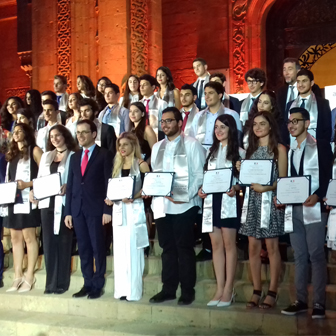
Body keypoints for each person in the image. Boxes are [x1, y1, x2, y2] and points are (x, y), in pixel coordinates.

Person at [149, 107, 205, 305]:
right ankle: (168, 288)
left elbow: (199, 175)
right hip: (162, 205)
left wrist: (185, 196)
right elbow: (156, 175)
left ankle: (187, 290)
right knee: (167, 249)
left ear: (180, 123)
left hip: (184, 206)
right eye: (162, 122)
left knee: (184, 248)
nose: (165, 125)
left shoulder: (192, 144)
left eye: (169, 121)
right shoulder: (157, 147)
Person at [281, 107, 332, 319]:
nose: (291, 125)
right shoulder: (290, 149)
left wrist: (319, 195)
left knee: (316, 255)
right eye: (289, 121)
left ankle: (319, 302)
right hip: (294, 208)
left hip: (314, 208)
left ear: (307, 123)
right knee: (299, 255)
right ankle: (300, 300)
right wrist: (281, 197)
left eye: (296, 121)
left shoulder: (320, 146)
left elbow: (329, 176)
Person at [238, 111, 287, 309]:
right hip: (252, 202)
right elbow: (246, 179)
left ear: (270, 126)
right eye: (255, 124)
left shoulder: (279, 150)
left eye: (262, 123)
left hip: (269, 201)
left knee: (272, 247)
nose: (258, 127)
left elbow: (282, 181)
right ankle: (257, 289)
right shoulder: (250, 150)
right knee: (252, 247)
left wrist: (266, 188)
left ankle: (273, 290)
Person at [198, 114, 245, 307]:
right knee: (215, 245)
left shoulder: (240, 152)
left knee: (229, 245)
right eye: (216, 127)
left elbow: (245, 181)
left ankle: (228, 289)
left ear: (231, 129)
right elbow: (206, 178)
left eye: (223, 127)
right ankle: (219, 288)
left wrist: (237, 187)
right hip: (211, 201)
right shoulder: (211, 152)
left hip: (229, 201)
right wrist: (201, 190)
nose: (218, 131)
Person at [64, 119, 113, 299]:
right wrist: (68, 211)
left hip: (96, 210)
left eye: (84, 132)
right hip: (77, 210)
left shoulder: (104, 154)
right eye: (78, 133)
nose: (80, 136)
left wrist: (107, 211)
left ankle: (98, 284)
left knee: (97, 248)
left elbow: (109, 183)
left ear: (94, 134)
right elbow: (71, 185)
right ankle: (87, 282)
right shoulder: (74, 156)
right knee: (83, 248)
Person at [30, 125, 78, 294]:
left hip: (64, 204)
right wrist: (34, 191)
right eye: (52, 137)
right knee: (49, 244)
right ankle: (50, 284)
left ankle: (62, 283)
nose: (55, 139)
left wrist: (68, 186)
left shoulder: (73, 155)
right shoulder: (46, 156)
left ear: (65, 136)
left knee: (64, 243)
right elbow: (40, 178)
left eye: (58, 135)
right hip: (46, 204)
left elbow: (76, 180)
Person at [105, 132, 150, 301]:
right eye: (120, 145)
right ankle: (121, 290)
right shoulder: (116, 165)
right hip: (118, 211)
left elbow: (147, 189)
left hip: (134, 209)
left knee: (133, 248)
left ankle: (133, 291)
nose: (122, 148)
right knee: (120, 250)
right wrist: (110, 198)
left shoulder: (141, 164)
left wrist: (134, 197)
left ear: (133, 145)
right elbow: (113, 188)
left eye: (125, 144)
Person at [4, 123, 43, 293]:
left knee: (29, 237)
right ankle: (17, 275)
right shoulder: (12, 153)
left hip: (29, 199)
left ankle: (29, 275)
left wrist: (27, 184)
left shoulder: (34, 150)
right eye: (15, 131)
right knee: (15, 238)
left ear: (27, 133)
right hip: (14, 200)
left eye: (20, 131)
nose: (16, 134)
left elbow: (45, 175)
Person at [284, 69, 331, 145]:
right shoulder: (290, 104)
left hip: (316, 148)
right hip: (294, 148)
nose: (300, 85)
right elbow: (285, 127)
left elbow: (327, 129)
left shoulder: (322, 103)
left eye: (304, 81)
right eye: (298, 82)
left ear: (312, 83)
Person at [190, 81, 242, 150]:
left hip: (224, 152)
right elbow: (192, 138)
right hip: (200, 152)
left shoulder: (232, 114)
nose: (207, 97)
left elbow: (237, 138)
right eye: (205, 94)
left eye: (211, 93)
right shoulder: (198, 116)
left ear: (219, 95)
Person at [139, 74, 168, 139]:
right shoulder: (138, 104)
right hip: (141, 137)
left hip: (158, 136)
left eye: (145, 85)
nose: (141, 87)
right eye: (140, 85)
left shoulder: (162, 104)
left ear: (152, 87)